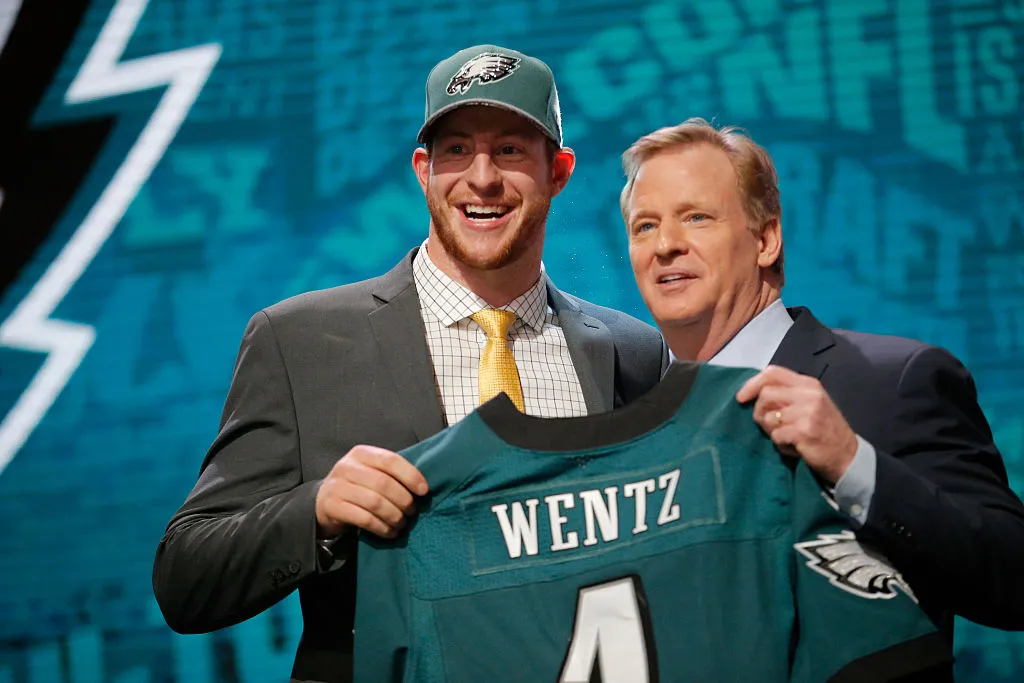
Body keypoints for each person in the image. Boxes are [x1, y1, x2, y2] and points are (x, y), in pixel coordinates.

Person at [152, 45, 666, 682]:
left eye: (510, 150)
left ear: (558, 171)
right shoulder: (299, 341)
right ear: (423, 170)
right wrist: (317, 510)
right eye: (456, 151)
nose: (481, 178)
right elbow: (186, 579)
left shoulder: (631, 352)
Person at [620, 117, 1024, 641]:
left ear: (766, 239)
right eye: (644, 226)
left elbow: (1014, 577)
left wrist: (853, 464)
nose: (665, 244)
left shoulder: (894, 381)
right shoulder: (626, 418)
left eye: (696, 217)